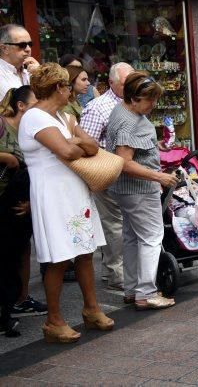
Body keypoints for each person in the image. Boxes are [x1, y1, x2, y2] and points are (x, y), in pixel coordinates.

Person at [19, 63, 112, 343]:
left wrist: (74, 140)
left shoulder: (63, 116)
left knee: (85, 251)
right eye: (67, 87)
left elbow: (93, 146)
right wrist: (74, 141)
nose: (70, 91)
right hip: (52, 196)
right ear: (58, 88)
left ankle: (91, 309)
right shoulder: (35, 118)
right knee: (59, 258)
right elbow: (67, 151)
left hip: (74, 193)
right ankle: (54, 321)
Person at [106, 72, 177, 310]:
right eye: (149, 100)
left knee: (132, 237)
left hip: (125, 190)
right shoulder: (130, 120)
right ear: (134, 99)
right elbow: (124, 162)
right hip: (138, 189)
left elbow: (131, 152)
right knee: (151, 238)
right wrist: (159, 176)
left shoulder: (122, 110)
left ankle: (131, 289)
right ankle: (146, 293)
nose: (153, 105)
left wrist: (153, 147)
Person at [80, 62, 133, 290]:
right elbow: (86, 145)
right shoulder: (98, 107)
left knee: (125, 223)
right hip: (106, 173)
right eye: (125, 84)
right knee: (115, 224)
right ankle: (116, 274)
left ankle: (118, 268)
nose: (131, 87)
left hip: (129, 172)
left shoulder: (133, 102)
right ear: (111, 83)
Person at [0, 86, 40, 337]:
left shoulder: (30, 130)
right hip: (2, 199)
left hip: (15, 201)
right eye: (35, 101)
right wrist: (8, 158)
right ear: (21, 105)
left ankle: (10, 307)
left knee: (12, 255)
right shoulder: (3, 125)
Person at [0, 24, 40, 99]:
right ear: (4, 48)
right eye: (22, 45)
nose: (28, 49)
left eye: (30, 44)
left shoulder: (31, 72)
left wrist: (41, 75)